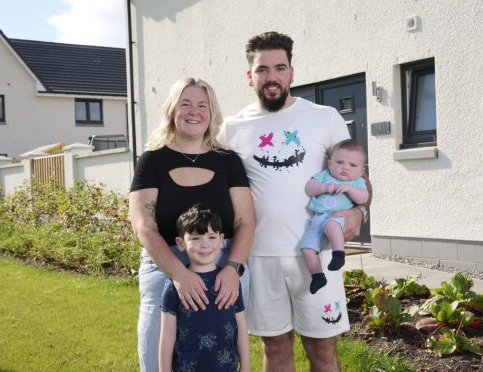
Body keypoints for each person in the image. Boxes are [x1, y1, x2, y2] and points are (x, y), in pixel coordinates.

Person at [217, 32, 371, 371]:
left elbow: (357, 176)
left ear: (291, 73)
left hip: (315, 253)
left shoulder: (325, 117)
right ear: (249, 76)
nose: (271, 77)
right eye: (262, 70)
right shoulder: (231, 129)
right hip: (260, 257)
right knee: (275, 351)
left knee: (324, 352)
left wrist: (358, 211)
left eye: (279, 67)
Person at [129, 77, 255, 372]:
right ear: (172, 110)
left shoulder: (228, 162)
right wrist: (179, 275)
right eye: (185, 104)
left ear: (211, 113)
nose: (193, 111)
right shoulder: (152, 162)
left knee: (220, 358)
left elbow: (246, 220)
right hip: (165, 266)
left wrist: (232, 268)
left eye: (202, 105)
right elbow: (143, 226)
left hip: (224, 266)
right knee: (156, 359)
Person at [159, 204, 250, 372]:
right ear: (181, 243)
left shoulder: (231, 282)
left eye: (211, 237)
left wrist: (246, 367)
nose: (205, 244)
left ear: (222, 240)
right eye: (196, 238)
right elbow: (167, 337)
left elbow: (241, 328)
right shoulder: (173, 287)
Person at [300, 139, 369, 294]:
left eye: (352, 165)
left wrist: (350, 190)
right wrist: (323, 187)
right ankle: (318, 276)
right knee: (307, 249)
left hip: (338, 217)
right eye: (339, 162)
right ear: (330, 164)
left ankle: (338, 254)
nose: (345, 167)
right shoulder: (324, 176)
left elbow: (363, 198)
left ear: (360, 171)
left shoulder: (357, 182)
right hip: (318, 219)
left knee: (331, 225)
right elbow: (309, 188)